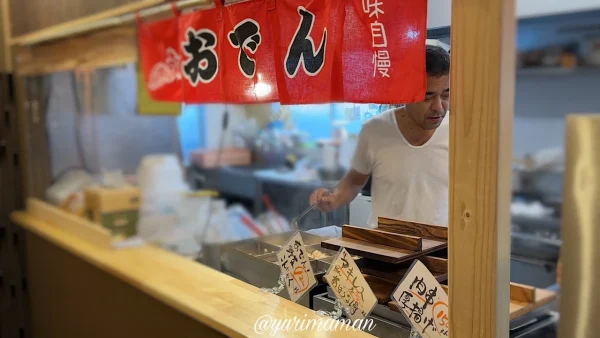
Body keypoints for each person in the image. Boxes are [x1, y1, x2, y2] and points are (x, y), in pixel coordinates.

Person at [309, 44, 450, 227]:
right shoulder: (375, 130)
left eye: (446, 94)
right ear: (405, 93)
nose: (438, 106)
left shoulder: (459, 134)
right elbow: (354, 181)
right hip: (384, 247)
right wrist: (333, 199)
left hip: (439, 249)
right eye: (427, 97)